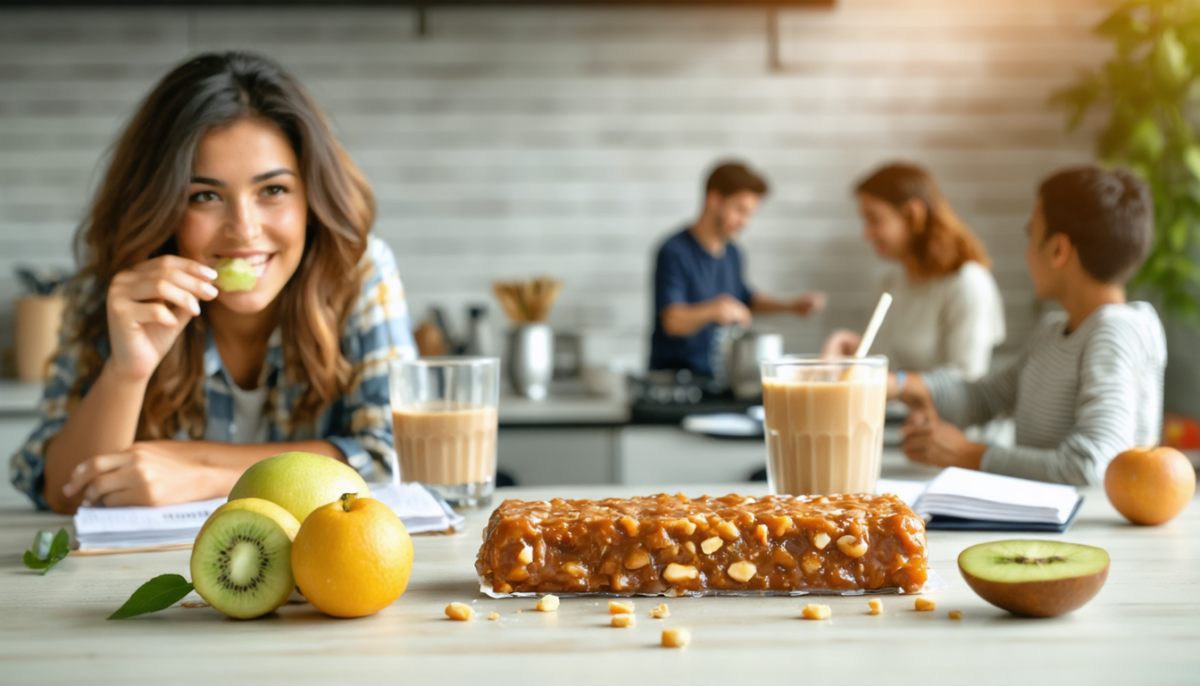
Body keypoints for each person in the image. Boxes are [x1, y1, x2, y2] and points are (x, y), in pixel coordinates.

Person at [9, 52, 417, 513]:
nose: (243, 229)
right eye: (205, 196)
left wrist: (203, 473)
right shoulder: (114, 293)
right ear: (162, 211)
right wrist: (128, 371)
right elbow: (63, 491)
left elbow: (393, 458)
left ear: (312, 199)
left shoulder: (357, 271)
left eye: (273, 190)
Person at [893, 166, 1166, 486]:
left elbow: (1091, 464)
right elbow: (984, 398)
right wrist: (895, 384)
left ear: (1058, 250)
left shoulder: (1115, 330)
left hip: (1087, 529)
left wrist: (966, 454)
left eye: (1030, 234)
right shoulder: (1053, 331)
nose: (1026, 253)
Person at [824, 163, 1005, 380]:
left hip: (941, 415)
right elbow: (887, 366)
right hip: (892, 413)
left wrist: (898, 385)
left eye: (875, 219)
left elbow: (967, 377)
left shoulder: (967, 283)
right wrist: (852, 350)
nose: (867, 234)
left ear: (913, 214)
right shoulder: (888, 284)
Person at [649, 161, 826, 378]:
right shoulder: (674, 251)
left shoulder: (733, 253)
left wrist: (790, 306)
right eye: (740, 210)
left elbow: (745, 299)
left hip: (719, 379)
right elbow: (672, 321)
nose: (746, 222)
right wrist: (714, 310)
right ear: (714, 199)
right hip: (676, 380)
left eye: (750, 214)